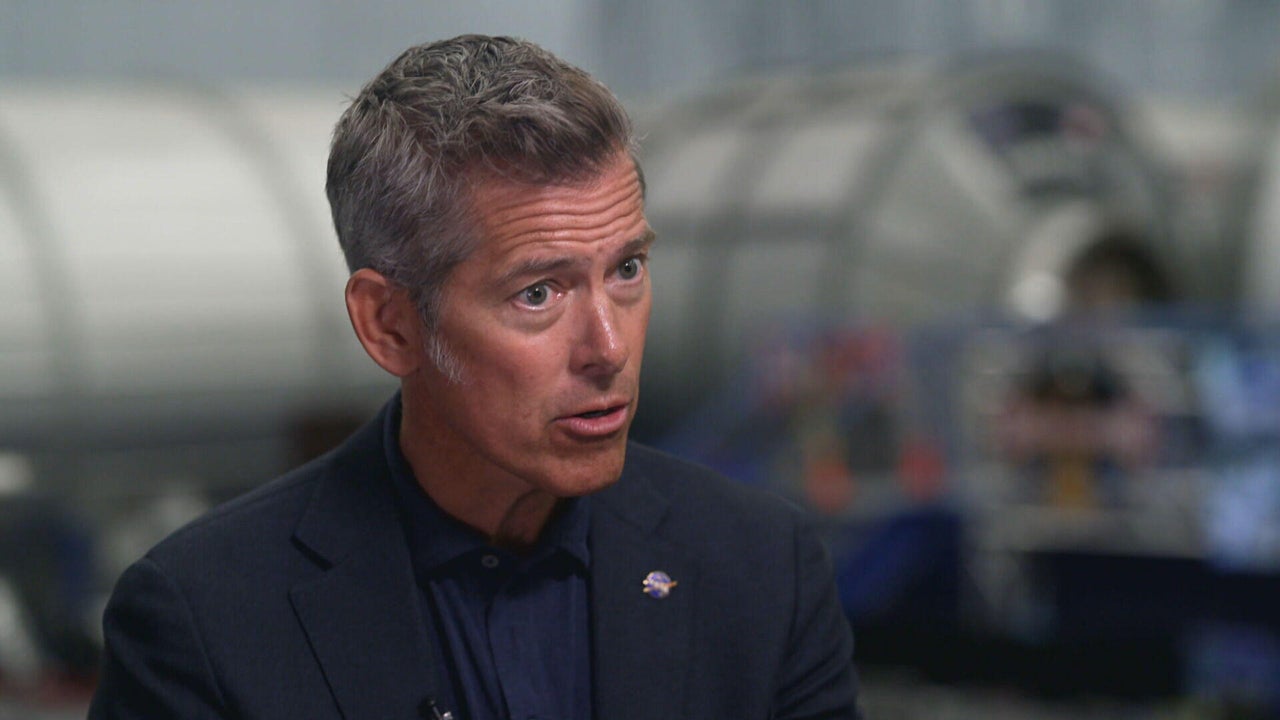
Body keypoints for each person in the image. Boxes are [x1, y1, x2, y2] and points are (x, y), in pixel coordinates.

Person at [88, 35, 860, 719]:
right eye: (539, 293)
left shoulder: (763, 569)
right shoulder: (204, 621)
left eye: (626, 269)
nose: (608, 347)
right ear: (390, 325)